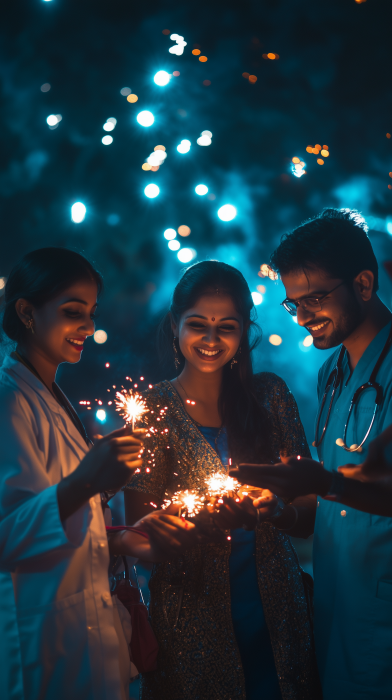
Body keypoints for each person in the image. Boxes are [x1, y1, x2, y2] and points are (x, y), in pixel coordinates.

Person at [0, 247, 196, 700]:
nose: (88, 327)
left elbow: (62, 516)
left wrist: (122, 536)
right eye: (73, 312)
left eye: (91, 313)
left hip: (86, 631)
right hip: (42, 643)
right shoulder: (10, 400)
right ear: (26, 312)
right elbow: (9, 535)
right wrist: (87, 481)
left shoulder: (52, 396)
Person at [124, 261, 321, 700]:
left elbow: (309, 513)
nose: (211, 340)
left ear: (245, 330)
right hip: (190, 623)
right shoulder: (154, 409)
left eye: (226, 327)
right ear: (175, 324)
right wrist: (199, 522)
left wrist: (279, 511)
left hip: (277, 611)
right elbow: (142, 535)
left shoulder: (270, 396)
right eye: (198, 325)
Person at [231, 208, 392, 700]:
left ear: (363, 284)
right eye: (293, 303)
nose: (302, 317)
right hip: (338, 617)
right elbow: (328, 512)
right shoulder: (333, 375)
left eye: (316, 298)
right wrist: (279, 509)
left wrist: (323, 484)